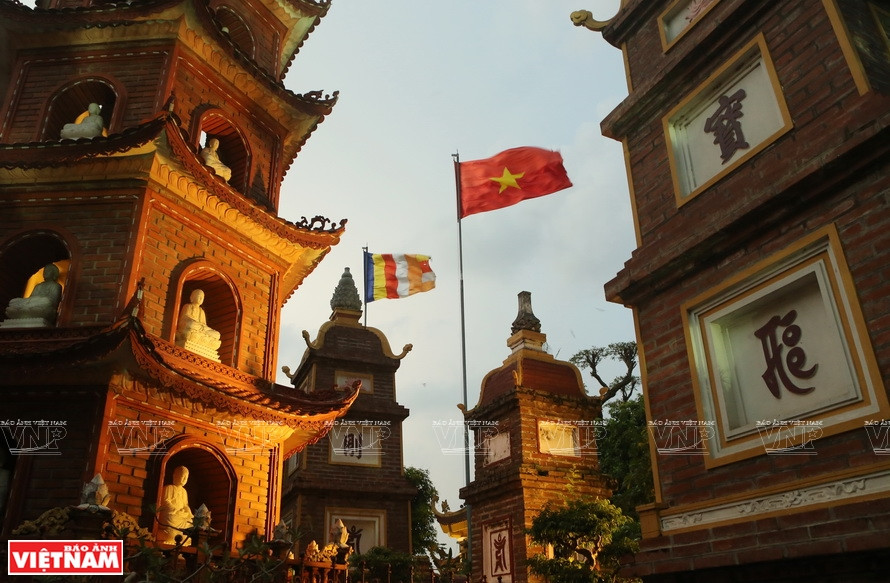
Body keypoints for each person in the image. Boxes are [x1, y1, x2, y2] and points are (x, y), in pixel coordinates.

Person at [157, 466, 194, 544]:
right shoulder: (168, 488)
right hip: (171, 514)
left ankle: (177, 532)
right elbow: (165, 502)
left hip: (180, 515)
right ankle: (169, 532)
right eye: (182, 477)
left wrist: (190, 514)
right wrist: (175, 510)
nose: (184, 480)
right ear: (175, 475)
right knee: (170, 517)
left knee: (191, 521)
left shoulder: (184, 491)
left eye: (186, 478)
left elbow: (185, 505)